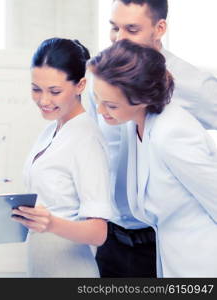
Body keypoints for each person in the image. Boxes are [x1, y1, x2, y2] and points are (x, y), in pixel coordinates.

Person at [91, 0, 217, 277]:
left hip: (182, 251)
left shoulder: (174, 123)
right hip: (122, 234)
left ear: (159, 28)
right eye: (114, 28)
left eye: (132, 29)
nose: (120, 39)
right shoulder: (108, 78)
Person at [11, 38, 115, 278]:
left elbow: (99, 232)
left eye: (55, 91)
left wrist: (51, 224)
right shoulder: (51, 130)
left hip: (71, 269)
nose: (43, 100)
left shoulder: (87, 138)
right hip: (43, 265)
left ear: (80, 85)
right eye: (36, 89)